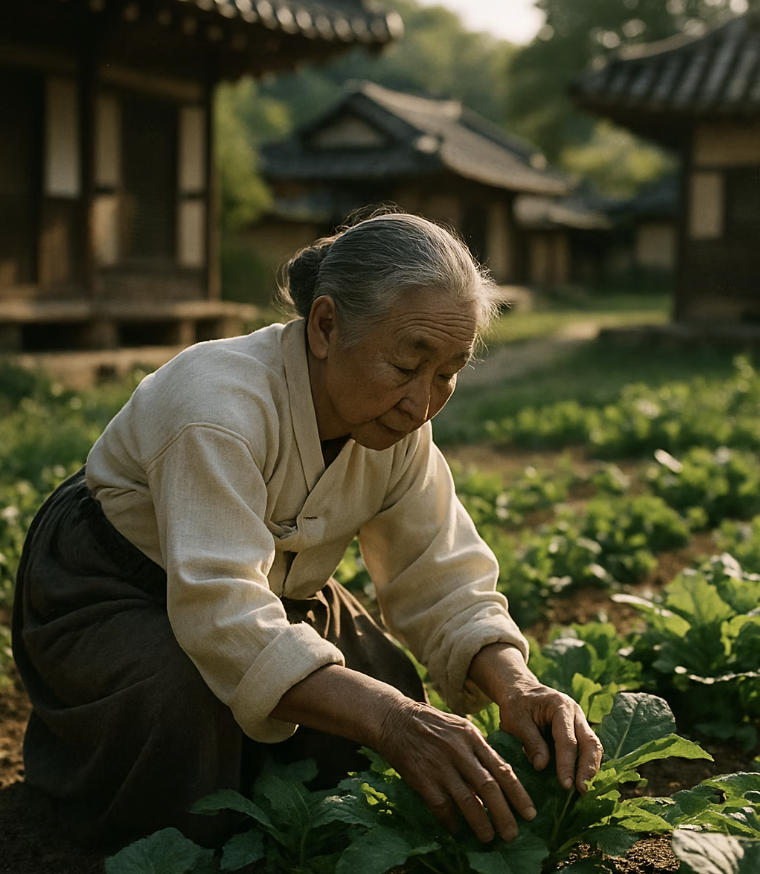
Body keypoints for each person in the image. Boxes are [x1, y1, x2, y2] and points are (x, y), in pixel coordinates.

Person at [12, 211, 602, 852]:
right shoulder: (216, 405)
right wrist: (395, 723)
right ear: (325, 327)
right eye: (407, 365)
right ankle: (82, 758)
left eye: (449, 372)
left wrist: (517, 684)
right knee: (188, 712)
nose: (422, 402)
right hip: (113, 580)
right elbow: (224, 615)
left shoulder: (399, 425)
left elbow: (440, 576)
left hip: (267, 582)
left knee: (391, 691)